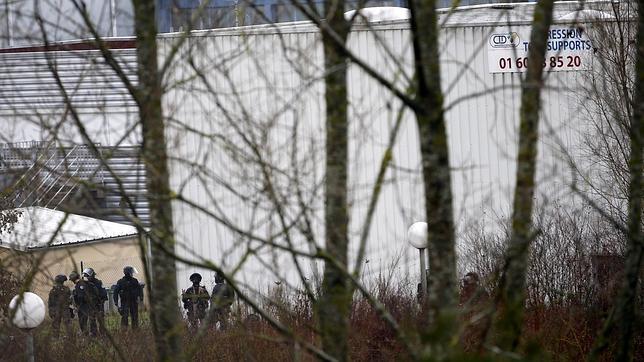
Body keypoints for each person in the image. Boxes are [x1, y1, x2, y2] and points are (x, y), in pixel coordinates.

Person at [70, 270, 98, 335]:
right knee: (92, 319)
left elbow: (80, 296)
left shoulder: (79, 285)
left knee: (83, 320)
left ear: (73, 279)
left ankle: (85, 333)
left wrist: (78, 306)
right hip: (91, 304)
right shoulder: (86, 283)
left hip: (84, 305)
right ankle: (94, 333)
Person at [82, 268, 105, 336]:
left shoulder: (98, 283)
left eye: (88, 276)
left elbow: (103, 293)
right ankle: (94, 333)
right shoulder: (85, 284)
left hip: (98, 304)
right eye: (86, 276)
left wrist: (101, 302)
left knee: (100, 320)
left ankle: (102, 333)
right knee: (92, 319)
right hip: (90, 305)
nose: (87, 278)